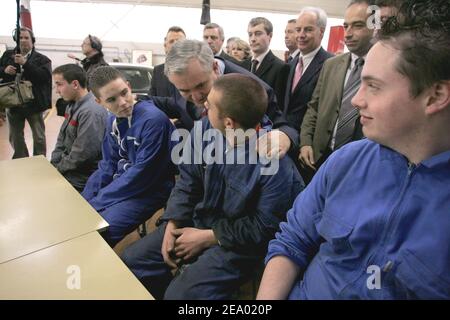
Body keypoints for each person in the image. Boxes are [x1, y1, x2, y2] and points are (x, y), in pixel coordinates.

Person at [257, 0, 450, 300]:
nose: (357, 101)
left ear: (435, 95)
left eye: (373, 86)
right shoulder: (345, 161)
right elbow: (292, 241)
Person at [122, 74, 304, 299]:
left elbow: (265, 228)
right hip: (199, 221)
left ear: (229, 122)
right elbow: (188, 182)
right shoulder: (204, 129)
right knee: (133, 261)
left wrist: (209, 237)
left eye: (210, 106)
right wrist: (173, 222)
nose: (203, 106)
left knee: (181, 296)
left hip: (239, 245)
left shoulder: (274, 164)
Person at [153, 39, 299, 160]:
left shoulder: (253, 90)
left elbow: (284, 128)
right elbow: (174, 104)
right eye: (185, 91)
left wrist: (284, 137)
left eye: (201, 85)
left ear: (215, 68)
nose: (196, 97)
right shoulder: (185, 79)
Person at [81, 66, 176, 247]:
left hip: (150, 189)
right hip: (124, 184)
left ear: (129, 86)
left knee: (99, 231)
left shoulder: (153, 120)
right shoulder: (112, 120)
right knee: (80, 212)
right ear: (99, 102)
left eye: (124, 93)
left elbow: (143, 173)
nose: (123, 102)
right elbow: (108, 163)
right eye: (112, 99)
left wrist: (99, 201)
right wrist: (86, 198)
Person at [299, 0, 375, 183]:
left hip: (361, 166)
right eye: (346, 26)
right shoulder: (331, 65)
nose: (348, 33)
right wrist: (306, 142)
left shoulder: (386, 68)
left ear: (376, 27)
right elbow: (314, 107)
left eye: (357, 26)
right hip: (319, 158)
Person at [51, 64, 107, 192]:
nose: (57, 91)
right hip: (70, 169)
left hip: (82, 177)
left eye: (59, 84)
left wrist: (59, 168)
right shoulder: (71, 105)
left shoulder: (91, 111)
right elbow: (61, 139)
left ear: (75, 84)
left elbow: (83, 154)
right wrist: (54, 163)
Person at [0, 27, 51, 159]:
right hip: (12, 103)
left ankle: (39, 160)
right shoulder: (7, 55)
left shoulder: (42, 59)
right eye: (20, 38)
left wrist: (26, 64)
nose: (23, 40)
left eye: (26, 37)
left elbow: (44, 77)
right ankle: (21, 159)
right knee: (15, 136)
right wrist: (4, 70)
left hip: (33, 104)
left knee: (39, 136)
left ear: (32, 40)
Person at [282, 7, 334, 133]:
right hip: (284, 136)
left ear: (321, 32)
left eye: (308, 29)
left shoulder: (331, 65)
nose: (301, 35)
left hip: (309, 142)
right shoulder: (291, 63)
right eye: (298, 30)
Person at [243, 17, 289, 106]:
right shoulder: (243, 64)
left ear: (270, 36)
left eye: (258, 34)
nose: (253, 39)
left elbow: (278, 103)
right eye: (250, 34)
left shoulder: (281, 67)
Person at [150, 26, 186, 98]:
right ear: (165, 46)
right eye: (171, 41)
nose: (175, 45)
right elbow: (151, 99)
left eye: (179, 41)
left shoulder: (192, 70)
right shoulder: (158, 71)